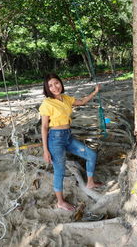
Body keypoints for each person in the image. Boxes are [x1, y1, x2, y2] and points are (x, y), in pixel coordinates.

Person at [39, 73, 102, 211]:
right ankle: (60, 202)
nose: (54, 87)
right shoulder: (47, 103)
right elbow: (44, 127)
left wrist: (95, 92)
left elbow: (82, 102)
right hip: (55, 139)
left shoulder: (66, 98)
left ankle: (90, 183)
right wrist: (45, 150)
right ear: (47, 88)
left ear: (60, 83)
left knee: (91, 154)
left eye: (56, 83)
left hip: (67, 136)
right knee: (59, 170)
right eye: (50, 85)